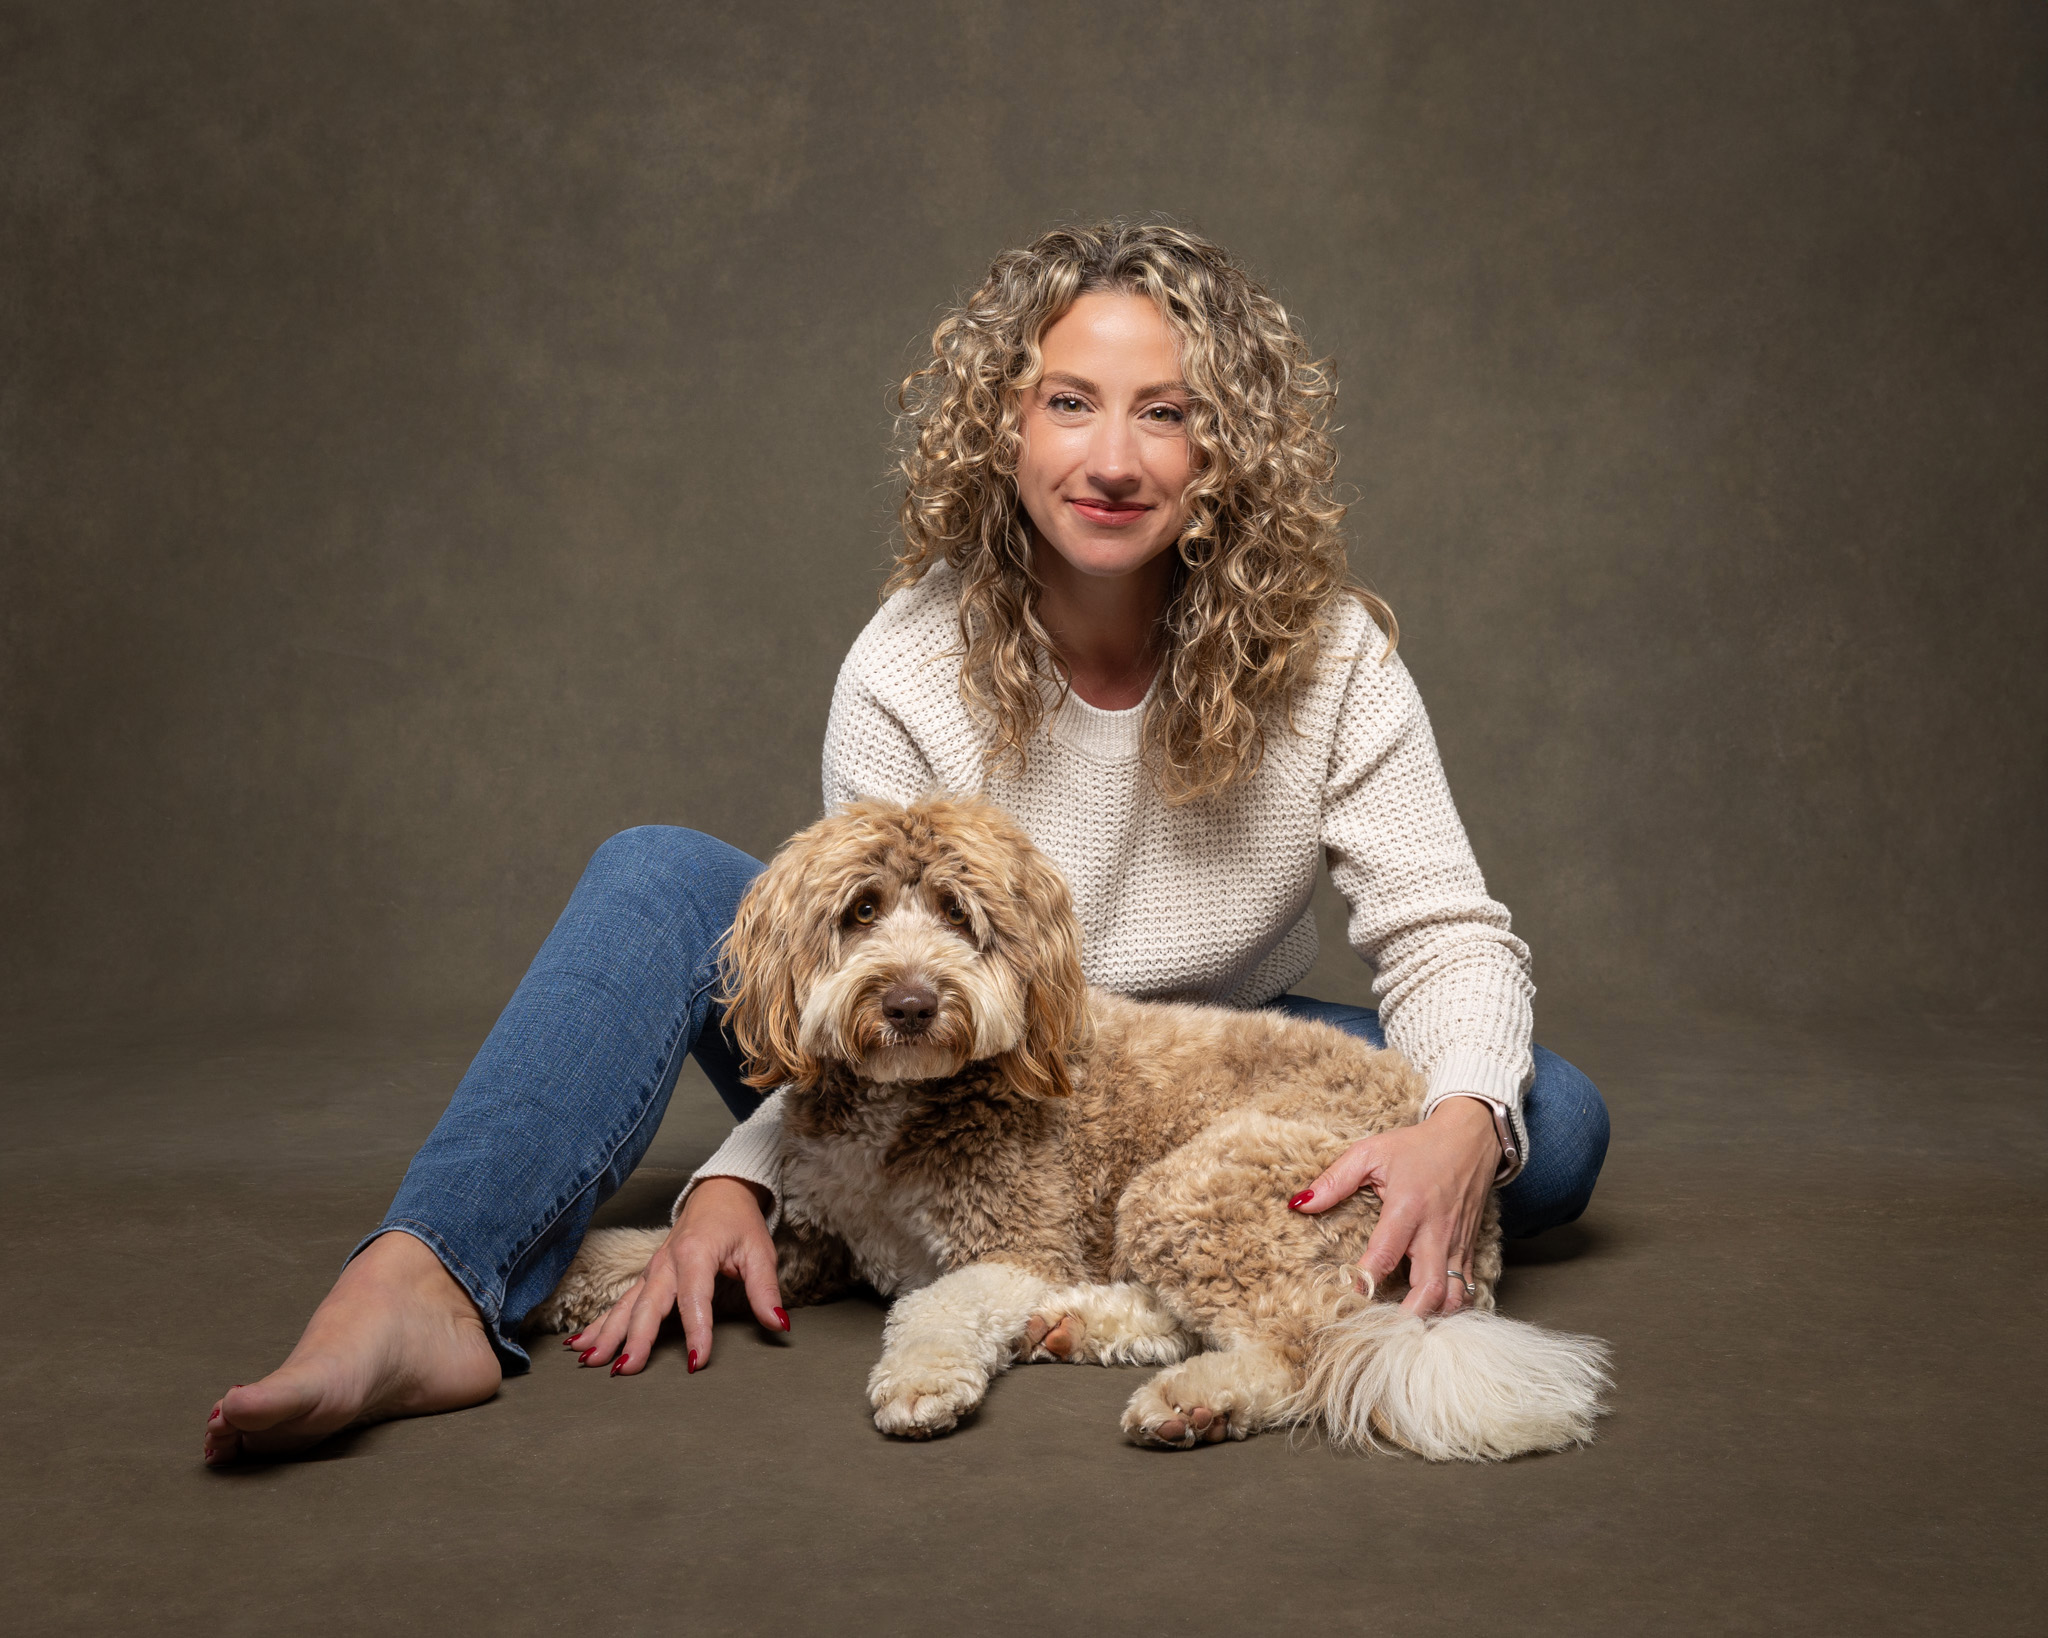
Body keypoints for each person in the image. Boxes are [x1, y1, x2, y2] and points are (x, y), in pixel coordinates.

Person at [203, 222, 1609, 1464]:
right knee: (655, 874)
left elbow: (1444, 929)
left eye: (1167, 415)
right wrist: (743, 1171)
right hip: (948, 1065)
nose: (1113, 459)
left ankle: (1159, 1259)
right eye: (1069, 403)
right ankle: (422, 1283)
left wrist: (1458, 1127)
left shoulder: (1329, 655)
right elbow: (867, 987)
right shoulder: (911, 659)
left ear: (1227, 448)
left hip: (1190, 1073)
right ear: (1005, 426)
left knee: (1548, 1125)